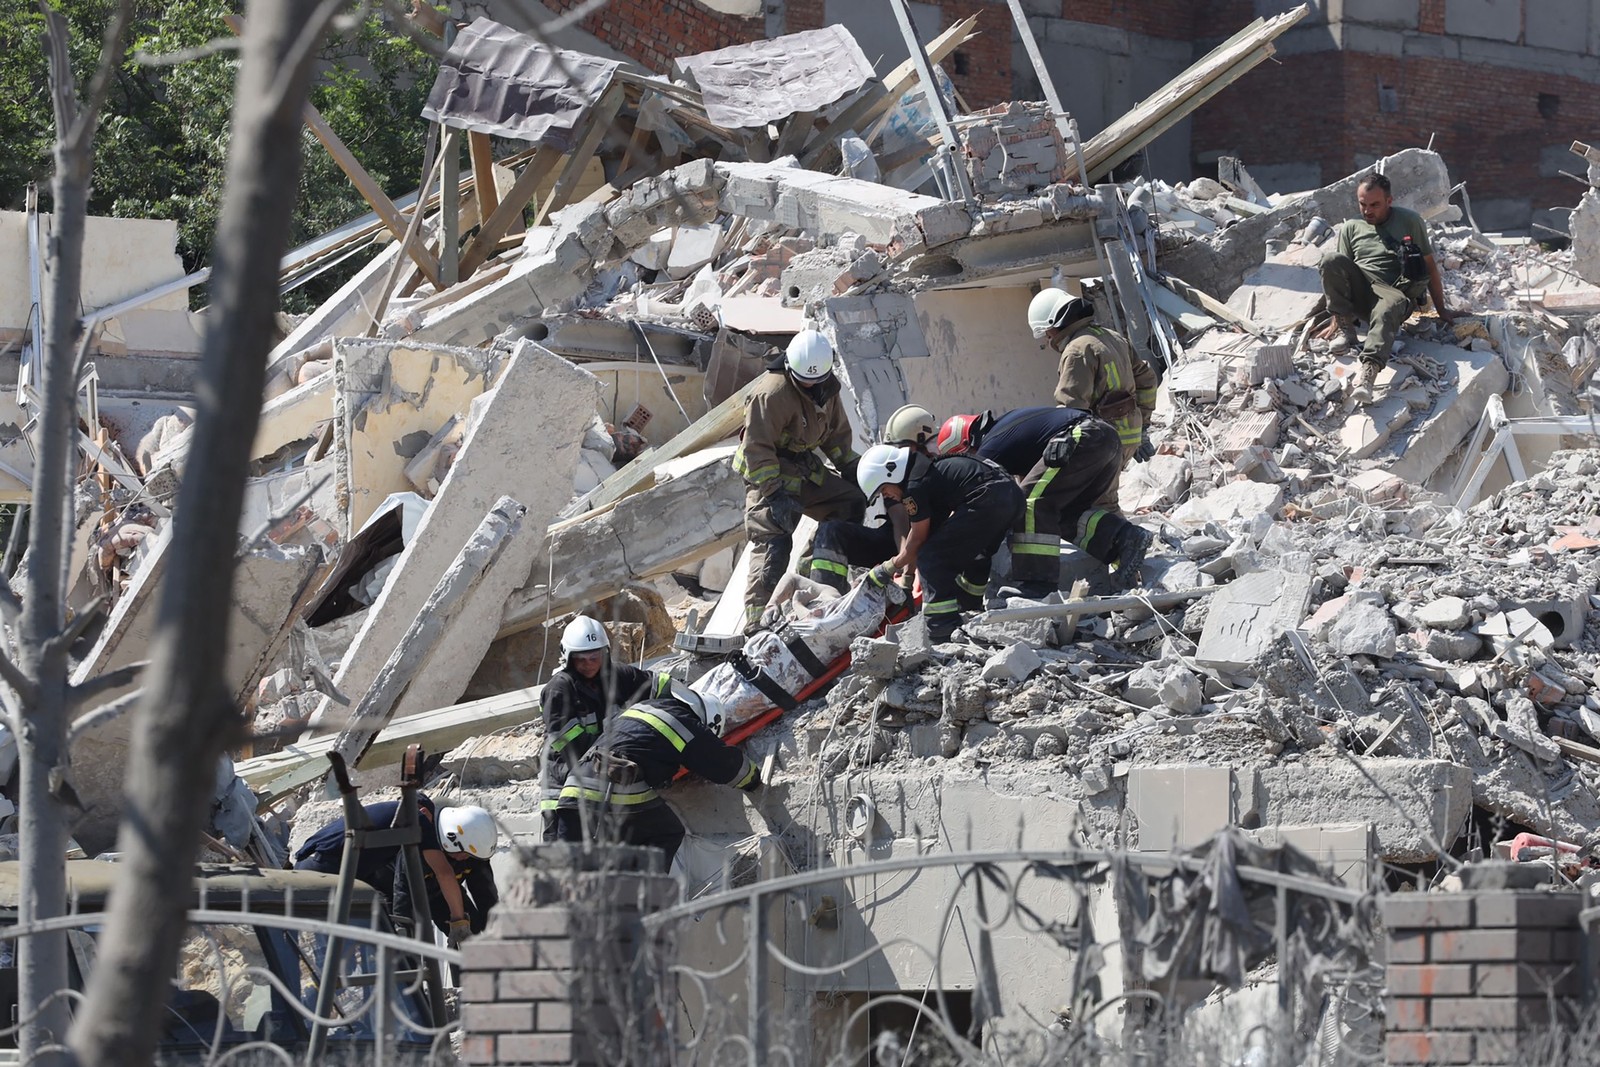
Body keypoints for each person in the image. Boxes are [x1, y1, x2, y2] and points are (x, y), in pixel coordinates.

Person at [936, 409, 1152, 596]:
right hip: (1104, 439)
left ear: (966, 446)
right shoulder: (1008, 433)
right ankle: (1124, 539)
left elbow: (985, 509)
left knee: (1028, 503)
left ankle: (1036, 584)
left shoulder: (990, 446)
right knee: (1060, 513)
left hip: (1080, 439)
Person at [732, 329, 864, 633]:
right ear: (790, 367)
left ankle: (813, 581)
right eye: (804, 380)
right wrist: (774, 496)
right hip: (765, 473)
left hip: (802, 470)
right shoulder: (770, 393)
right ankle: (757, 621)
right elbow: (757, 448)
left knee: (850, 503)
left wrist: (855, 471)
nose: (810, 385)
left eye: (816, 380)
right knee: (773, 542)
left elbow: (836, 436)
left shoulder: (827, 388)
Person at [559, 686, 760, 866]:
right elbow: (721, 763)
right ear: (707, 721)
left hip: (572, 791)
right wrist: (751, 778)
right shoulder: (683, 723)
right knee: (667, 832)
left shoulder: (644, 708)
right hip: (609, 788)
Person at [855, 442, 1024, 641]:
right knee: (977, 554)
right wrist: (907, 581)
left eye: (883, 490)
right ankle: (969, 607)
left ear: (891, 472)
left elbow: (917, 540)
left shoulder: (913, 487)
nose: (887, 496)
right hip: (1011, 497)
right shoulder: (927, 473)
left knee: (932, 557)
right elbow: (922, 535)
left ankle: (941, 626)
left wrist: (886, 569)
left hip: (988, 498)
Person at [1317, 171, 1456, 404]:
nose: (1367, 211)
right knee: (1330, 260)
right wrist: (1336, 318)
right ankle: (1346, 328)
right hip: (1362, 290)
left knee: (1389, 306)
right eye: (1363, 204)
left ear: (1389, 201)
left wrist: (1442, 311)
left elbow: (1430, 267)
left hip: (1394, 292)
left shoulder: (1409, 221)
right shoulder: (1352, 227)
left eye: (1374, 205)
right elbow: (1339, 273)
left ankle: (1368, 376)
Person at [294, 797, 498, 948]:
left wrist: (468, 924)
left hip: (349, 873)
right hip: (324, 870)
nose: (464, 859)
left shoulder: (462, 842)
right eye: (462, 854)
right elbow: (413, 886)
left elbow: (482, 890)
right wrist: (403, 937)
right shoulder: (418, 824)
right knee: (342, 951)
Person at [539, 615, 672, 843]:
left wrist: (685, 697)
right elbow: (573, 748)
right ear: (568, 658)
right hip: (563, 787)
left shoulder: (617, 675)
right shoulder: (559, 689)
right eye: (581, 659)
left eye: (594, 657)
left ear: (605, 653)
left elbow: (657, 686)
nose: (589, 664)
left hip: (601, 783)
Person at [1027, 288, 1158, 510]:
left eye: (1046, 332)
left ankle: (1122, 541)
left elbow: (1071, 407)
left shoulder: (1077, 350)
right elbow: (1147, 380)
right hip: (1128, 437)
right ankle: (1120, 538)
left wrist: (1060, 447)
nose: (1048, 338)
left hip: (1101, 440)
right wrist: (1142, 426)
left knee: (1093, 504)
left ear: (1054, 324)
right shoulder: (1113, 337)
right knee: (1103, 498)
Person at [808, 404, 934, 593]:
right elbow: (900, 522)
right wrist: (901, 564)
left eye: (901, 446)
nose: (897, 452)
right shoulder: (894, 473)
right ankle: (827, 598)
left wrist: (909, 570)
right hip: (902, 545)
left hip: (932, 544)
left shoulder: (937, 468)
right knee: (832, 530)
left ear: (920, 440)